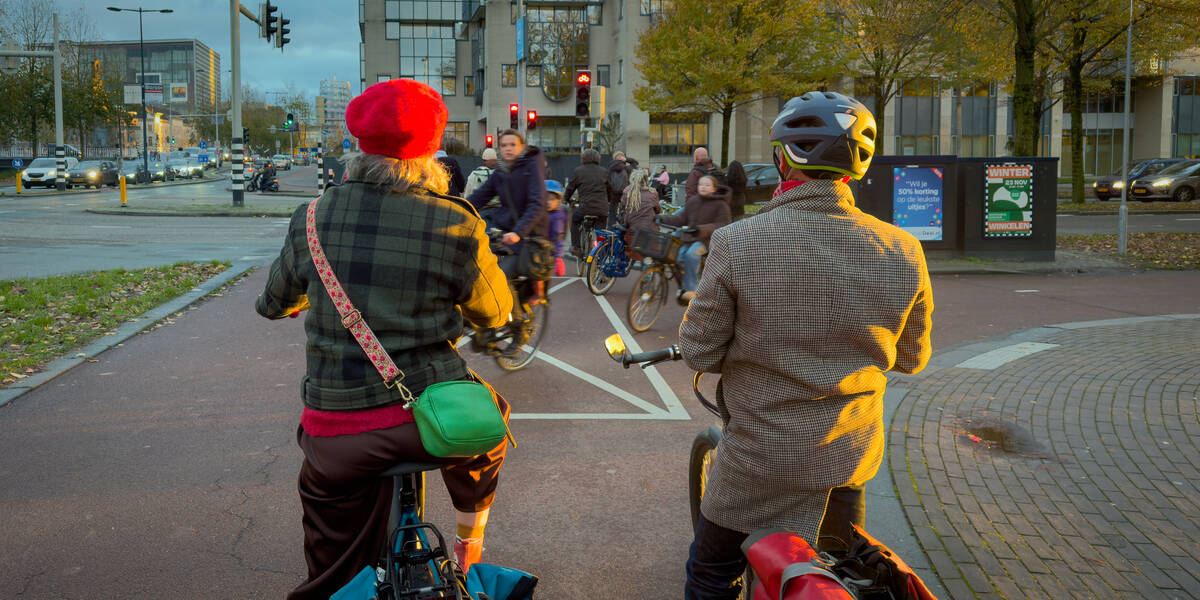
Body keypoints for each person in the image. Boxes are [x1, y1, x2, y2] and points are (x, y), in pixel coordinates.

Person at [254, 79, 513, 600]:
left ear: (359, 147)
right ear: (431, 151)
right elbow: (494, 312)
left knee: (332, 554)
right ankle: (470, 541)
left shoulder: (313, 216)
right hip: (428, 421)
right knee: (490, 424)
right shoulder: (456, 221)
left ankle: (336, 581)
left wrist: (302, 299)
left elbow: (272, 302)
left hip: (338, 431)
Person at [677, 91, 934, 600]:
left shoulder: (737, 241)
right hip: (846, 453)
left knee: (710, 572)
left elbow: (700, 351)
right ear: (856, 167)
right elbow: (911, 358)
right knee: (837, 574)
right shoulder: (904, 248)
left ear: (781, 159)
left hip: (757, 456)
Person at [465, 129, 549, 280]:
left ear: (522, 147)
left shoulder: (531, 168)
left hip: (528, 234)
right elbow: (479, 196)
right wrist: (458, 209)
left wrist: (518, 233)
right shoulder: (500, 172)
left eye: (512, 144)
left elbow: (537, 204)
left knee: (500, 278)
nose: (508, 148)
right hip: (504, 231)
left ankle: (530, 293)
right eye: (504, 145)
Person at [658, 174, 731, 303]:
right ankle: (687, 285)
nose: (703, 187)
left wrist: (701, 229)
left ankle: (691, 291)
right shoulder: (693, 201)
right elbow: (680, 218)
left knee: (691, 255)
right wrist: (662, 218)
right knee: (678, 256)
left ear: (714, 188)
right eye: (700, 184)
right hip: (690, 238)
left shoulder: (720, 204)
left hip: (707, 241)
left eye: (707, 185)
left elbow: (722, 224)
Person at [562, 148, 612, 256]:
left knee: (575, 220)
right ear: (598, 159)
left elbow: (570, 188)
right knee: (601, 229)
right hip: (601, 209)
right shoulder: (604, 172)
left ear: (583, 159)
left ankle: (576, 247)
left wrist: (566, 199)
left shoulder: (578, 171)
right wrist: (608, 201)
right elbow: (610, 190)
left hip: (585, 208)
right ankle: (601, 252)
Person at [620, 167, 661, 247]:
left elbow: (623, 207)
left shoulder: (627, 191)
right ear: (646, 180)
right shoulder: (652, 192)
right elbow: (658, 210)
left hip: (631, 231)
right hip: (649, 233)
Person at [545, 179, 568, 277]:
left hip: (548, 250)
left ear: (558, 200)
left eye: (551, 199)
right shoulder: (539, 212)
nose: (547, 201)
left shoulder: (558, 217)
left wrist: (558, 258)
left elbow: (559, 237)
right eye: (545, 198)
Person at [606, 150, 631, 226]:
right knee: (625, 211)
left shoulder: (610, 167)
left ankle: (611, 230)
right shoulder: (626, 169)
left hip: (613, 193)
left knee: (612, 213)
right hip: (624, 193)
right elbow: (635, 163)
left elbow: (607, 181)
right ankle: (623, 227)